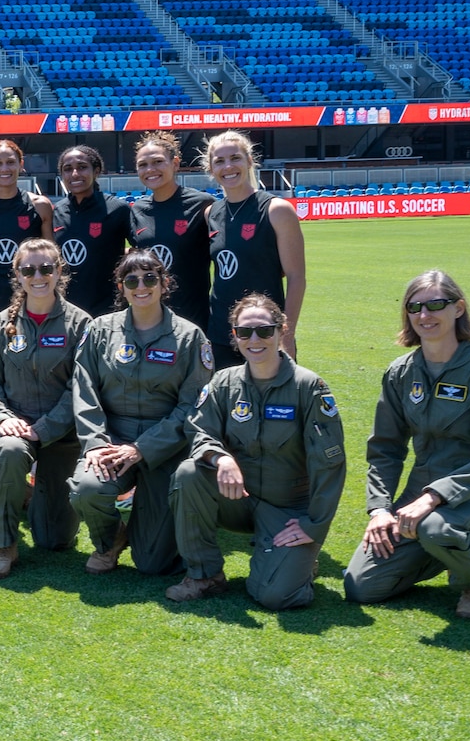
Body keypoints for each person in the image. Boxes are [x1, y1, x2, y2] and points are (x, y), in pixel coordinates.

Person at [341, 271, 470, 620]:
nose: (425, 315)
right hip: (416, 506)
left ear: (458, 309)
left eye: (436, 305)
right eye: (415, 307)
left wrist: (434, 497)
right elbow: (385, 448)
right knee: (361, 585)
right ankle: (443, 551)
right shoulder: (401, 372)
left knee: (435, 526)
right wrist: (379, 509)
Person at [169, 293, 344, 608]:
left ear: (281, 330)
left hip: (287, 510)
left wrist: (313, 525)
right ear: (234, 336)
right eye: (244, 332)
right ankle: (204, 575)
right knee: (189, 474)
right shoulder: (223, 383)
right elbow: (199, 430)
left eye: (264, 330)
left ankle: (299, 563)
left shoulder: (309, 388)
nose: (255, 339)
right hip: (237, 499)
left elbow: (329, 463)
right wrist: (220, 457)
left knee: (276, 596)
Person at [68, 249, 215, 580]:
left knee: (153, 564)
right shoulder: (101, 329)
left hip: (164, 449)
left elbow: (193, 407)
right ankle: (109, 542)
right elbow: (84, 388)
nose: (141, 286)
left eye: (150, 278)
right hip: (112, 440)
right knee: (88, 487)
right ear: (121, 287)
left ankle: (151, 528)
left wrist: (141, 449)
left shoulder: (190, 337)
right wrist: (94, 443)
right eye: (131, 280)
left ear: (164, 284)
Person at [0, 240, 93, 579]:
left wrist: (48, 426)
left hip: (62, 435)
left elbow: (82, 386)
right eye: (28, 270)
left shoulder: (80, 324)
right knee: (9, 451)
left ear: (59, 272)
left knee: (54, 539)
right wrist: (2, 418)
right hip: (17, 429)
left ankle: (26, 493)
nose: (37, 276)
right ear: (18, 275)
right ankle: (4, 542)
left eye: (46, 269)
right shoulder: (1, 324)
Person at [203, 130, 306, 363]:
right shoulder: (211, 213)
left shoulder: (276, 209)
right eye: (219, 161)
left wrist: (287, 336)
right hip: (220, 333)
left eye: (235, 158)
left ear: (249, 161)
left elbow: (296, 277)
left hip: (264, 332)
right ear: (211, 169)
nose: (228, 166)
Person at [128, 130, 213, 330]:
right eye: (143, 165)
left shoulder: (201, 205)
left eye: (158, 162)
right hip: (149, 320)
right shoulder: (137, 209)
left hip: (193, 319)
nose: (150, 169)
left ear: (175, 163)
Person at [51, 143, 135, 316]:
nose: (75, 174)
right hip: (65, 312)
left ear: (96, 171)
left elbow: (141, 249)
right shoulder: (56, 211)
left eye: (82, 167)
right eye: (68, 169)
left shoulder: (118, 209)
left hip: (108, 310)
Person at [0, 138, 54, 312]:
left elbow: (52, 256)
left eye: (10, 162)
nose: (4, 169)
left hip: (31, 298)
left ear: (20, 164)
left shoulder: (40, 206)